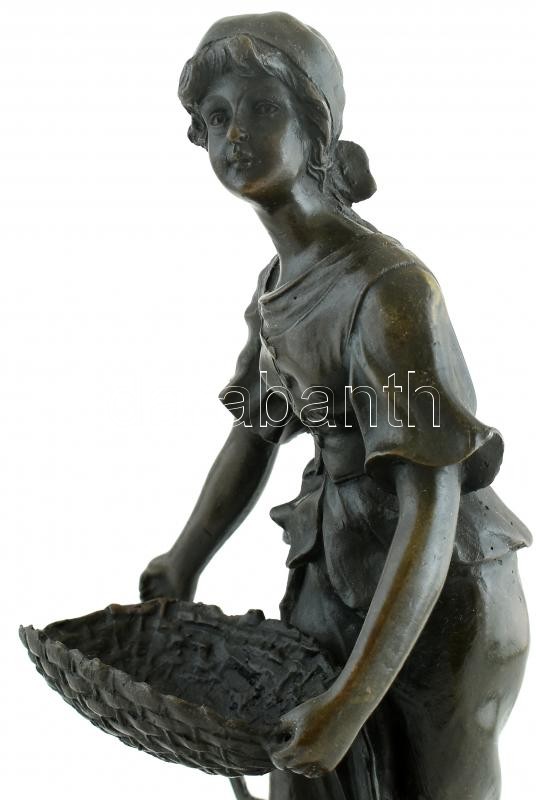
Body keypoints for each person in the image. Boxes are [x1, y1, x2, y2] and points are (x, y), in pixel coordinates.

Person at [139, 13, 531, 800]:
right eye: (217, 115)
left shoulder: (389, 291)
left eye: (261, 109)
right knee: (303, 777)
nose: (235, 134)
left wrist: (352, 702)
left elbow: (432, 503)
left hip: (439, 600)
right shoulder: (275, 288)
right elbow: (255, 431)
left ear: (315, 128)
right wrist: (184, 558)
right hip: (334, 572)